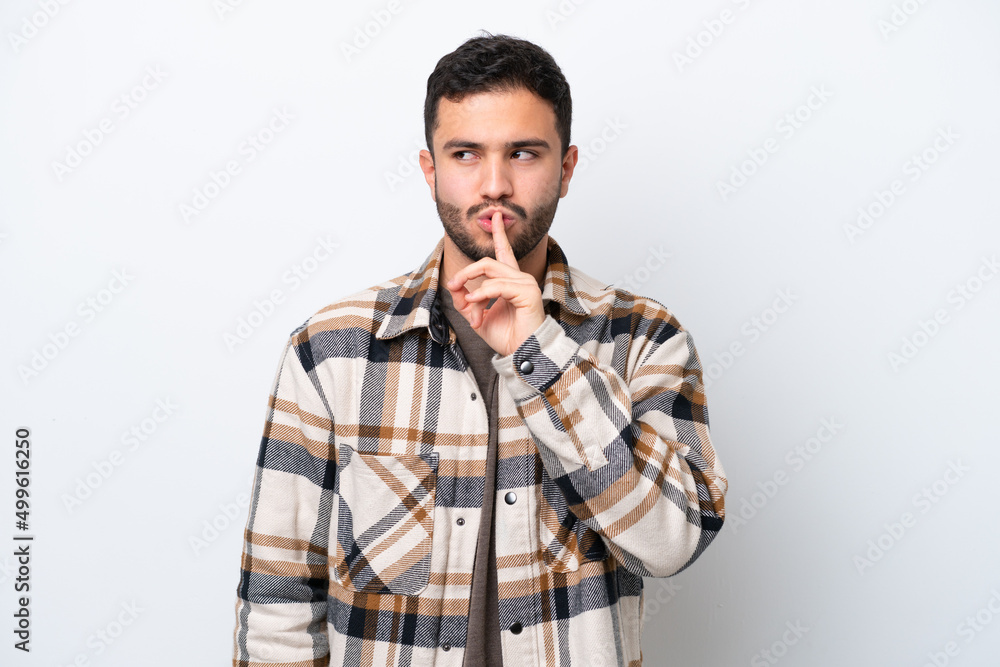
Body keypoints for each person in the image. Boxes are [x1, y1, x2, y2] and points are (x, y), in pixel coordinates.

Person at [232, 31, 727, 667]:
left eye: (524, 153)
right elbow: (278, 603)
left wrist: (539, 356)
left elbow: (673, 542)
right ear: (430, 170)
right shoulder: (331, 351)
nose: (494, 185)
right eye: (466, 154)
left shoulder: (644, 339)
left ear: (566, 169)